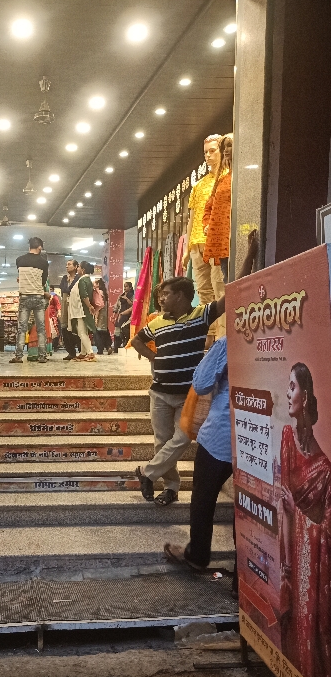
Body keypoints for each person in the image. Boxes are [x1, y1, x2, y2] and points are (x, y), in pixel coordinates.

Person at [131, 276, 225, 506]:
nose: (161, 299)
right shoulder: (157, 322)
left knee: (183, 437)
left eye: (166, 294)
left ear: (180, 296)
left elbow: (228, 298)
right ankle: (171, 487)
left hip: (189, 395)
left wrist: (249, 257)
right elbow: (137, 341)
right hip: (160, 393)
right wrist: (154, 358)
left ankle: (147, 472)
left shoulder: (201, 315)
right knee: (162, 442)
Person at [278, 362, 331, 677]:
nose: (287, 393)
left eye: (292, 387)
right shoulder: (286, 437)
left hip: (313, 562)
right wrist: (285, 565)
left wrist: (301, 516)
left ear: (306, 396)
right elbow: (283, 506)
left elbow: (326, 522)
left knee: (312, 628)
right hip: (292, 556)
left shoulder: (324, 467)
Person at [163, 337, 233, 577]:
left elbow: (202, 383)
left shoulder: (229, 341)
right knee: (250, 508)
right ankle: (245, 576)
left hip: (221, 435)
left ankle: (198, 555)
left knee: (204, 497)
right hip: (260, 436)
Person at [183, 134, 225, 347]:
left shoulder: (227, 179)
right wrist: (187, 248)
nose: (208, 156)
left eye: (212, 151)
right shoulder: (199, 185)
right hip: (197, 244)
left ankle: (223, 338)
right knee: (204, 292)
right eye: (205, 152)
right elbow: (191, 218)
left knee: (220, 289)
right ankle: (209, 336)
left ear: (222, 151)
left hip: (216, 242)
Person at [10, 236, 49, 364]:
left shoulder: (19, 260)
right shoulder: (44, 263)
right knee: (41, 329)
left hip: (24, 297)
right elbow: (43, 281)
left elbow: (21, 276)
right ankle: (42, 356)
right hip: (38, 297)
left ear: (29, 246)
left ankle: (18, 356)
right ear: (40, 247)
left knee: (22, 328)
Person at [203, 133, 233, 285]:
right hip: (221, 239)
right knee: (226, 280)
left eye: (230, 146)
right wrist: (207, 224)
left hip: (237, 236)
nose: (226, 150)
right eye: (224, 147)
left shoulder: (241, 177)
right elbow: (208, 207)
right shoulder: (222, 180)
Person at [68, 261, 96, 362]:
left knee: (81, 332)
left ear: (83, 270)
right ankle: (83, 353)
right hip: (82, 309)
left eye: (79, 267)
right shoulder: (87, 279)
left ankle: (90, 353)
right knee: (83, 331)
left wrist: (89, 306)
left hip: (81, 310)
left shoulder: (82, 280)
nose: (78, 269)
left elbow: (84, 295)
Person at [60, 259, 81, 361]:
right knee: (64, 329)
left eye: (69, 264)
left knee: (76, 329)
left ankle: (81, 352)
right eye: (66, 264)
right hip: (65, 306)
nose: (67, 266)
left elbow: (70, 289)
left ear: (76, 266)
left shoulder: (79, 278)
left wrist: (69, 286)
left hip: (75, 306)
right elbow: (64, 289)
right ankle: (71, 352)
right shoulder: (64, 278)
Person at [93, 277, 112, 355]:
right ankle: (108, 347)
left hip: (100, 314)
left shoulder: (98, 292)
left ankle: (100, 349)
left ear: (98, 284)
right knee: (104, 332)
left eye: (95, 283)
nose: (93, 284)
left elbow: (98, 305)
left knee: (98, 333)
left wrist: (96, 317)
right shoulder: (104, 292)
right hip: (104, 315)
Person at [113, 282, 134, 350]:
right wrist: (113, 315)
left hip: (128, 316)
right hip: (120, 315)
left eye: (126, 286)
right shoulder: (121, 296)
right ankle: (116, 347)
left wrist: (127, 299)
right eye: (124, 286)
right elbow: (116, 306)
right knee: (117, 331)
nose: (125, 288)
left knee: (124, 330)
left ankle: (125, 345)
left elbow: (134, 305)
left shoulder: (132, 296)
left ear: (130, 287)